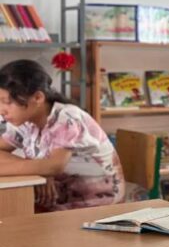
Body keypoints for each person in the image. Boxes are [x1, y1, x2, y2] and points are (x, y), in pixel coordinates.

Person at [0, 59, 124, 210]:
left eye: (7, 102)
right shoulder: (25, 120)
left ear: (38, 98)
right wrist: (40, 170)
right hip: (59, 199)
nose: (2, 110)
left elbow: (54, 166)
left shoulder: (67, 118)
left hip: (96, 204)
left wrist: (43, 170)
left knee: (10, 212)